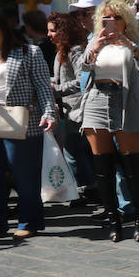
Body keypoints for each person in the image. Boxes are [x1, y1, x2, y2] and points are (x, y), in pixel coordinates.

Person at [79, 0, 139, 241]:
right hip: (96, 100)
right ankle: (114, 222)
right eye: (106, 18)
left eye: (116, 18)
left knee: (133, 167)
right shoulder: (94, 41)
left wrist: (128, 44)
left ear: (126, 21)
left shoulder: (135, 42)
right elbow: (82, 69)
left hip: (126, 102)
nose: (110, 22)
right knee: (103, 168)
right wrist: (95, 49)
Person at [0, 10, 58, 239]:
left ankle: (29, 221)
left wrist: (49, 113)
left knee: (24, 175)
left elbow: (44, 87)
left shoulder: (28, 52)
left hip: (21, 121)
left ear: (5, 31)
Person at [46, 12, 96, 202]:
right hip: (71, 109)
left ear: (63, 31)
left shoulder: (74, 51)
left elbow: (80, 81)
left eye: (52, 30)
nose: (49, 34)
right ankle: (88, 187)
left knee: (72, 150)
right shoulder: (63, 50)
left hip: (77, 109)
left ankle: (86, 188)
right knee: (76, 150)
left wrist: (56, 89)